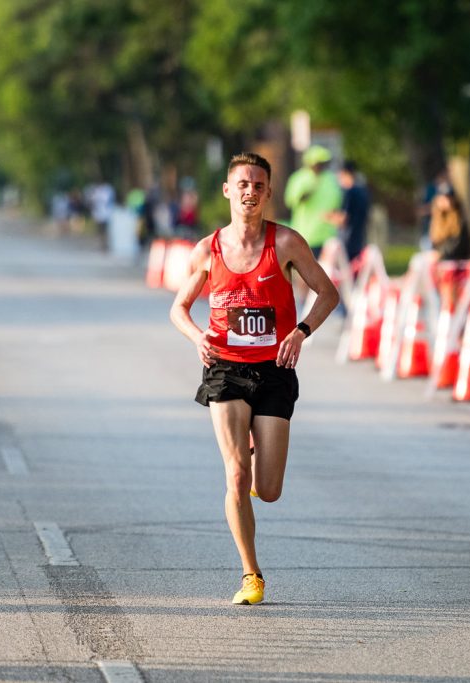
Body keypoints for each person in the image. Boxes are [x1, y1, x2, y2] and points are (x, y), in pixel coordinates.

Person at [170, 153, 339, 605]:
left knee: (268, 489)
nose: (250, 192)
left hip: (274, 370)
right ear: (227, 190)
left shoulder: (285, 243)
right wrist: (196, 337)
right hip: (224, 367)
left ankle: (251, 459)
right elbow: (179, 308)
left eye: (259, 185)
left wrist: (301, 333)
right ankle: (251, 575)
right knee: (235, 472)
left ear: (268, 193)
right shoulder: (207, 250)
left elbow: (328, 293)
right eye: (242, 184)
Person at [284, 145, 342, 257]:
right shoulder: (299, 178)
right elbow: (290, 201)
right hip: (306, 235)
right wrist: (306, 193)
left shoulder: (330, 179)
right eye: (318, 163)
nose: (321, 166)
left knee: (326, 271)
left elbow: (337, 203)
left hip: (327, 235)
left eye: (324, 163)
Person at [333, 160, 370, 262]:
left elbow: (343, 219)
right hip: (360, 239)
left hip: (346, 242)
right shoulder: (363, 191)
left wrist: (328, 216)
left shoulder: (349, 193)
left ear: (344, 173)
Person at [429, 190, 470, 261]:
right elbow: (435, 242)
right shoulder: (437, 218)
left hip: (457, 259)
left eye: (448, 198)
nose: (446, 202)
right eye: (443, 199)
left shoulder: (459, 218)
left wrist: (441, 253)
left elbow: (458, 243)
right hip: (442, 259)